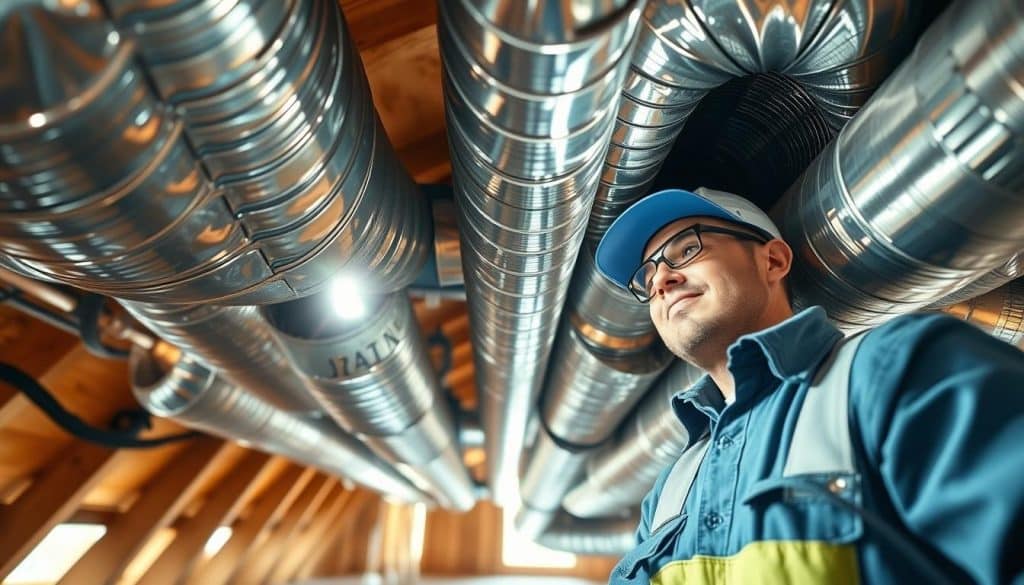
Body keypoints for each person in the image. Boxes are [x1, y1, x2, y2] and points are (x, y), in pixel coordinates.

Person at [594, 187, 1024, 584]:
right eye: (646, 280)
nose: (661, 282)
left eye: (687, 249)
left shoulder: (896, 369)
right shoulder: (667, 494)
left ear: (773, 261)